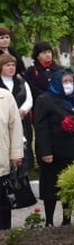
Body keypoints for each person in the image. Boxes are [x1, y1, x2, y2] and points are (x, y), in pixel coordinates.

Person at [34, 68, 74, 226]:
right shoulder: (45, 100)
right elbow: (41, 128)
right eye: (65, 81)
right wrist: (45, 151)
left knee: (68, 186)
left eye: (71, 81)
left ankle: (67, 219)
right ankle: (49, 220)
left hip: (73, 150)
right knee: (51, 186)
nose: (69, 85)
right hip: (54, 151)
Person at [0, 53, 34, 173]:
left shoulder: (21, 83)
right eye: (7, 65)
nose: (11, 68)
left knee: (22, 148)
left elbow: (29, 99)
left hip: (22, 120)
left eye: (13, 65)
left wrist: (23, 110)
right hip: (4, 122)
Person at [0, 87, 24, 231]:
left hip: (1, 164)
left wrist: (15, 153)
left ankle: (4, 237)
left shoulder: (5, 96)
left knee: (2, 206)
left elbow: (15, 126)